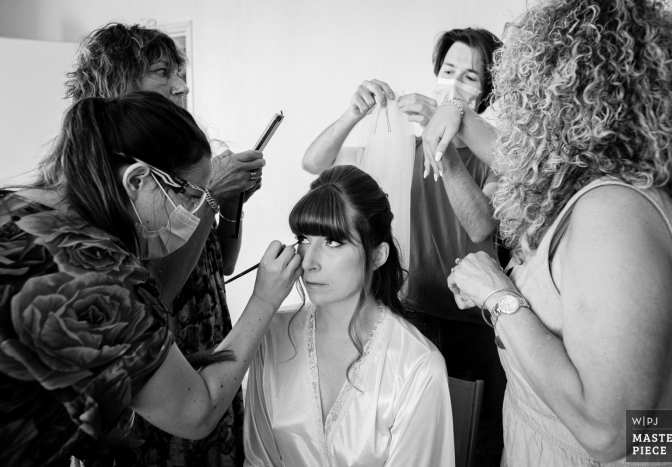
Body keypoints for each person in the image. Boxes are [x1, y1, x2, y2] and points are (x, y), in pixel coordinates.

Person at [447, 0, 672, 464]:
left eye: (522, 94)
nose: (516, 114)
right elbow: (652, 423)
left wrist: (497, 297)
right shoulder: (599, 192)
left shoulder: (615, 214)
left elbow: (610, 434)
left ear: (556, 100)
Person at [0, 91, 302, 467]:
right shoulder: (103, 278)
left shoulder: (11, 204)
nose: (195, 212)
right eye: (191, 196)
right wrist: (263, 301)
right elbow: (198, 411)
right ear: (138, 180)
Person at [302, 28, 505, 465]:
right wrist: (351, 114)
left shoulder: (496, 157)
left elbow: (481, 225)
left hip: (477, 325)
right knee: (415, 440)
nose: (453, 85)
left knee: (476, 445)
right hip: (410, 316)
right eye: (448, 71)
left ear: (488, 94)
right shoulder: (402, 148)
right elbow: (314, 164)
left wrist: (445, 148)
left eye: (469, 78)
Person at [65, 23, 262, 466]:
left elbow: (223, 264)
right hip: (157, 383)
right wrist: (208, 199)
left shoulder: (175, 165)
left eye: (179, 70)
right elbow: (153, 295)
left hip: (208, 354)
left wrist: (228, 199)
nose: (182, 84)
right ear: (119, 84)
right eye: (162, 71)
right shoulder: (101, 203)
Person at [243, 165, 454, 466]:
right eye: (304, 238)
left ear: (377, 255)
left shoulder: (416, 365)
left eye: (333, 242)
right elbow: (259, 459)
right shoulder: (272, 335)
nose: (309, 262)